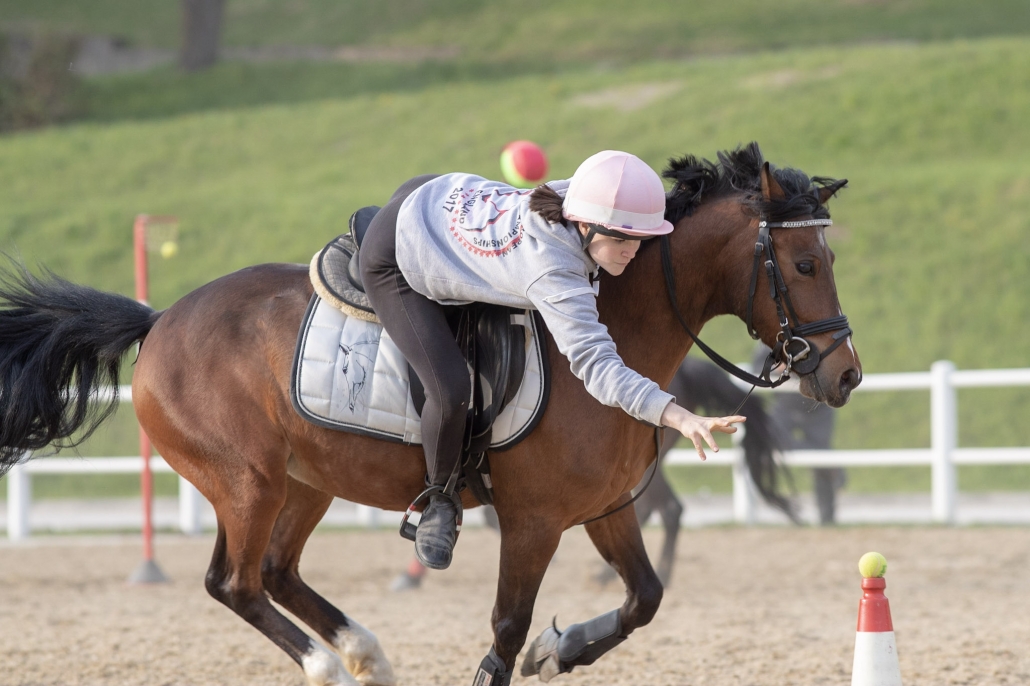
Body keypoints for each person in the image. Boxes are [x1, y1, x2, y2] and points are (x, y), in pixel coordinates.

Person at [360, 150, 745, 570]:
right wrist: (678, 417)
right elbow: (596, 367)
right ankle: (437, 502)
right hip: (394, 251)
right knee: (451, 387)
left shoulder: (578, 198)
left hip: (439, 190)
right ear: (584, 225)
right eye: (620, 239)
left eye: (639, 239)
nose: (632, 251)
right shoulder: (552, 269)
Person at [752, 343, 845, 524]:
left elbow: (835, 365)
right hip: (785, 407)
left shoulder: (819, 331)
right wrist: (775, 369)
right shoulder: (775, 334)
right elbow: (756, 368)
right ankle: (787, 514)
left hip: (818, 407)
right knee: (775, 445)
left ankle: (828, 519)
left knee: (821, 461)